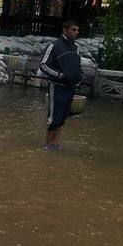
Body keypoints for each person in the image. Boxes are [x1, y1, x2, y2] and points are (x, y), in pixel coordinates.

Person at [39, 20, 81, 151]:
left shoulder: (76, 48)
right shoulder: (54, 46)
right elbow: (44, 65)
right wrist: (60, 75)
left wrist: (79, 77)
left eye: (77, 30)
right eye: (73, 30)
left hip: (70, 87)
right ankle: (47, 144)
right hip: (57, 86)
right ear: (65, 30)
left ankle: (55, 143)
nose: (76, 33)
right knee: (54, 116)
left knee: (63, 116)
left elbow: (77, 66)